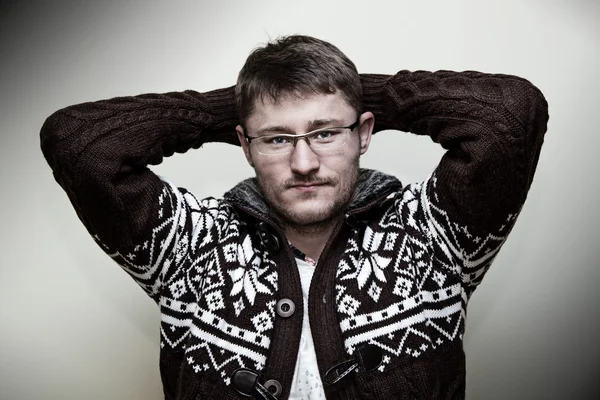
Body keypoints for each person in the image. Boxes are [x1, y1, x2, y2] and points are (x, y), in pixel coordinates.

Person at [40, 35, 548, 400]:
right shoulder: (190, 247)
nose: (303, 163)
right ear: (244, 144)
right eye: (278, 139)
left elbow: (510, 116)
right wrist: (243, 105)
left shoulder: (430, 235)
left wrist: (350, 94)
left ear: (364, 134)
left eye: (326, 133)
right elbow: (78, 142)